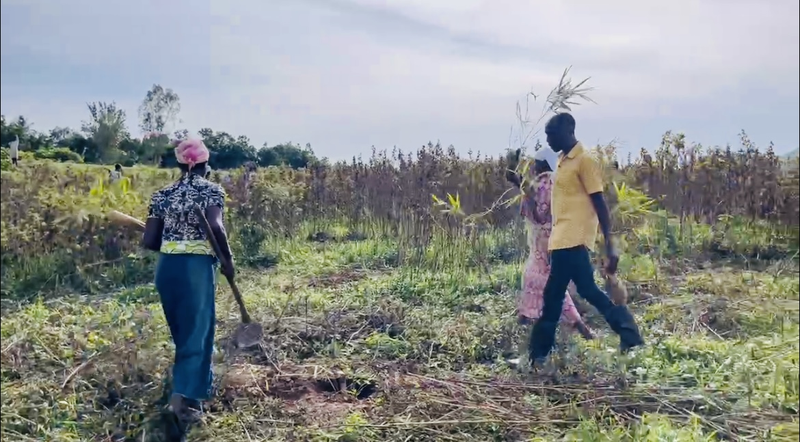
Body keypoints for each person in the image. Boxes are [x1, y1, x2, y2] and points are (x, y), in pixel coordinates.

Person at [527, 113, 643, 367]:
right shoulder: (561, 162)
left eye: (551, 133)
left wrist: (610, 245)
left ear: (568, 130)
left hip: (574, 240)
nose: (548, 138)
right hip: (561, 241)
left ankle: (537, 355)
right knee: (580, 292)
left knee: (554, 297)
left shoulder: (584, 161)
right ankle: (630, 337)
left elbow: (599, 204)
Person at [141, 138, 235, 429]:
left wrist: (171, 232)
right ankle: (185, 402)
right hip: (195, 267)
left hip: (167, 267)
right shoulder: (211, 190)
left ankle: (185, 389)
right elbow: (216, 226)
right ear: (206, 165)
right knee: (198, 333)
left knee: (183, 332)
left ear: (181, 165)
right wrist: (228, 261)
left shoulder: (163, 195)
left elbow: (150, 241)